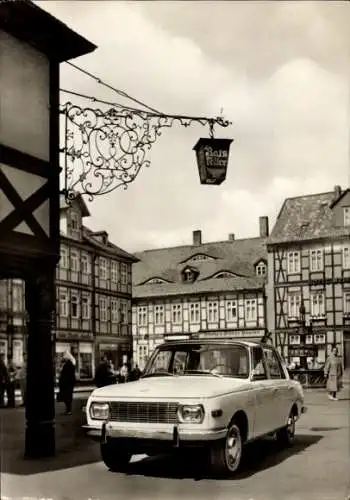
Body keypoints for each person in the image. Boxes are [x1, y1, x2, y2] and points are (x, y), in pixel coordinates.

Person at [57, 351, 76, 415]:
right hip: (68, 383)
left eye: (63, 357)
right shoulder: (68, 364)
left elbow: (66, 374)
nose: (62, 358)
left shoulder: (68, 364)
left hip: (67, 384)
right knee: (67, 397)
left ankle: (68, 410)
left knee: (67, 397)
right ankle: (68, 410)